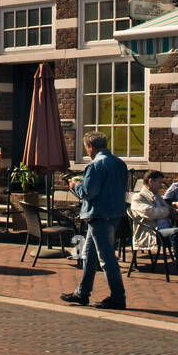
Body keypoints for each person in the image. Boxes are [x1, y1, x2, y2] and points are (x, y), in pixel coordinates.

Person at [60, 131, 129, 309]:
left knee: (106, 258)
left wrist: (76, 185)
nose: (87, 152)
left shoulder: (95, 166)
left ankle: (118, 297)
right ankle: (82, 293)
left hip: (98, 214)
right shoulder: (120, 164)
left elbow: (89, 192)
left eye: (86, 149)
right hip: (114, 214)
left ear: (91, 147)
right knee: (89, 256)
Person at [130, 170, 178, 281]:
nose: (161, 186)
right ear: (151, 182)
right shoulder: (138, 197)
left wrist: (176, 212)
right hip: (154, 232)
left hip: (166, 230)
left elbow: (168, 210)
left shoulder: (158, 197)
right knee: (177, 232)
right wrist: (168, 212)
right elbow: (149, 213)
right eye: (159, 183)